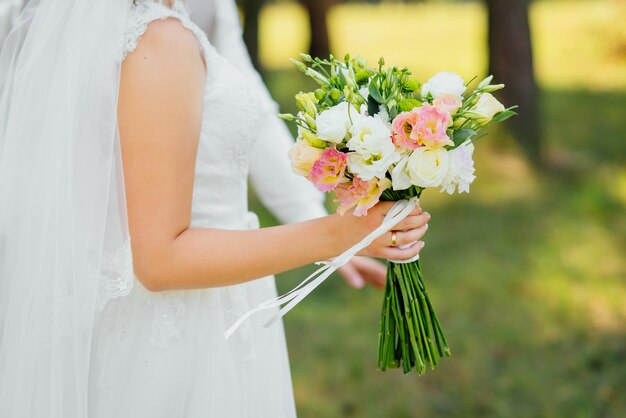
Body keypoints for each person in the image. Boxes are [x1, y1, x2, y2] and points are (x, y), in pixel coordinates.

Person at [0, 0, 430, 416]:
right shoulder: (159, 41)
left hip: (217, 305)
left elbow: (251, 111)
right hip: (185, 335)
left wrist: (309, 215)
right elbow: (160, 260)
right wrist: (337, 235)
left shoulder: (162, 22)